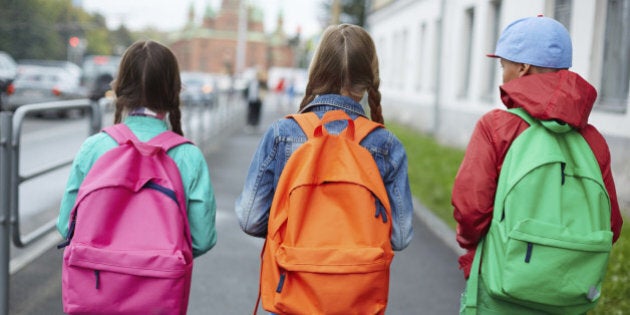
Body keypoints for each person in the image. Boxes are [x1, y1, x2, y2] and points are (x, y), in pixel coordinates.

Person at [235, 23, 414, 311]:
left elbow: (250, 219)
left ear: (317, 69)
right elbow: (401, 236)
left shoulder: (283, 133)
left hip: (292, 290)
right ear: (368, 78)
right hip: (357, 299)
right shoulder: (386, 144)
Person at [452, 15, 623, 312]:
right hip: (571, 294)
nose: (502, 74)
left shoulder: (496, 127)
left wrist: (475, 246)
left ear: (522, 68)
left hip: (502, 287)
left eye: (503, 65)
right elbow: (612, 224)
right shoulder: (592, 140)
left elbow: (471, 212)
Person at [57, 39, 217, 258]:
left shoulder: (94, 147)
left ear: (120, 87)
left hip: (94, 283)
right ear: (174, 90)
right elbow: (202, 238)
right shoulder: (188, 156)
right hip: (161, 286)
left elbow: (66, 224)